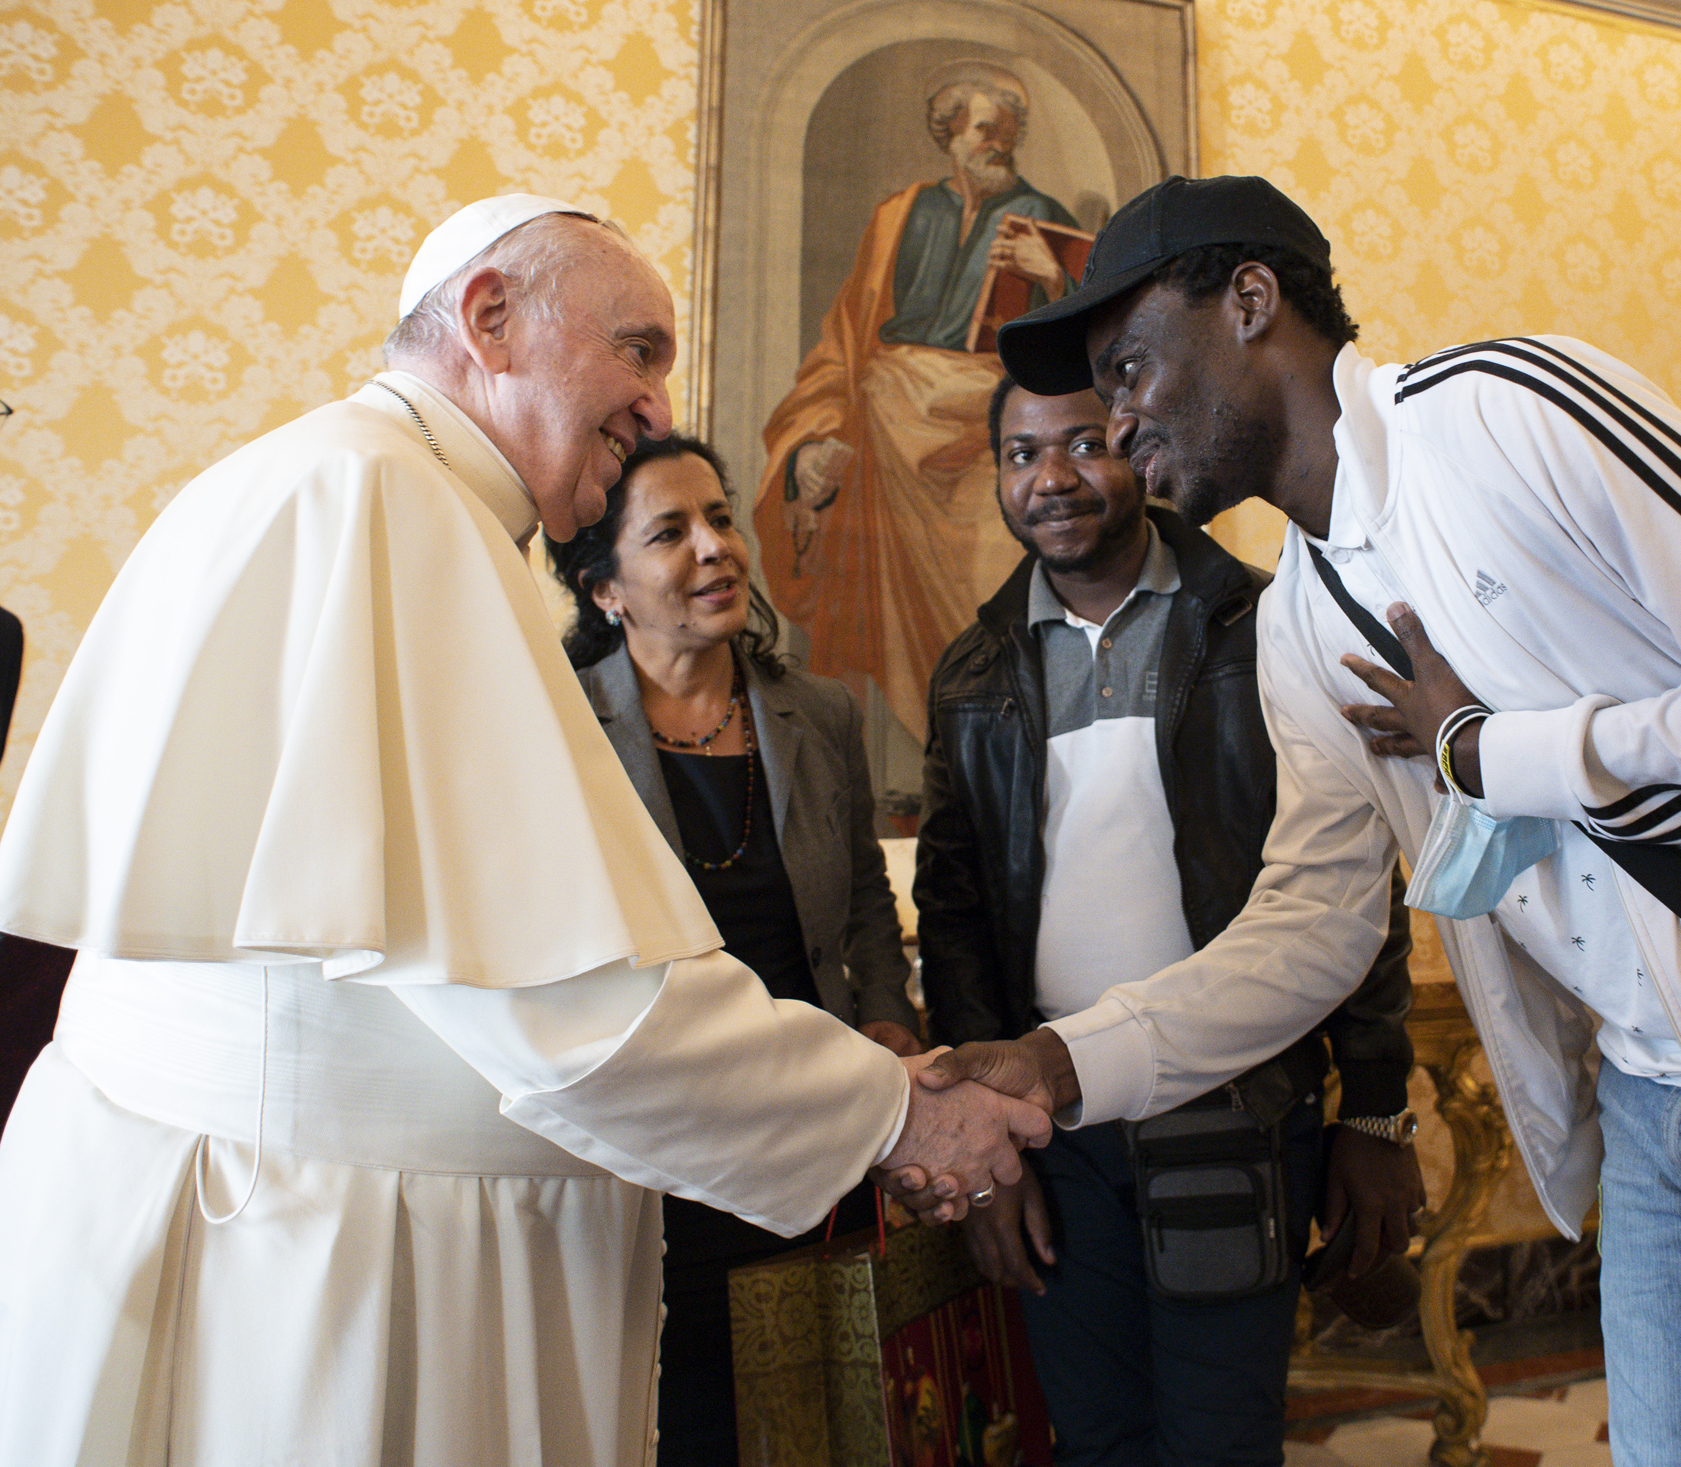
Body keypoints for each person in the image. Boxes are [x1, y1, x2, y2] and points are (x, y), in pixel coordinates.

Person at [922, 175, 1681, 1467]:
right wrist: (1058, 1062)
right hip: (1654, 1108)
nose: (1116, 417)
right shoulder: (1300, 619)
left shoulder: (1504, 414)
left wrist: (1487, 748)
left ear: (1250, 302)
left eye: (1128, 365)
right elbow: (1308, 925)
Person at [0, 195, 1046, 1466]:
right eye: (638, 350)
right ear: (489, 318)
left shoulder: (343, 477)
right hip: (320, 1251)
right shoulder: (392, 508)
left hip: (264, 1205)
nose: (660, 407)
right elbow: (574, 1014)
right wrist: (892, 1115)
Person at [916, 378, 1421, 1466]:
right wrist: (981, 1144)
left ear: (1138, 451)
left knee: (1219, 1441)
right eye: (1019, 453)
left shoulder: (1261, 625)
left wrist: (1374, 1115)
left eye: (1083, 443)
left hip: (1231, 1104)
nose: (1049, 478)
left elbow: (1349, 891)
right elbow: (951, 913)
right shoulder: (973, 667)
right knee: (1097, 1438)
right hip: (1055, 1131)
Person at [548, 432, 926, 1464]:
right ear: (606, 587)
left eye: (719, 518)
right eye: (670, 532)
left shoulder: (820, 713)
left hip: (815, 1126)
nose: (715, 547)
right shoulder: (560, 732)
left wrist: (887, 1019)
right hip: (657, 1151)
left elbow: (858, 904)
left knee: (825, 1420)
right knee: (685, 1423)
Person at [758, 59, 1080, 767]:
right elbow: (846, 340)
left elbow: (1086, 350)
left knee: (986, 587)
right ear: (952, 135)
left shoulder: (1043, 219)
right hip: (887, 420)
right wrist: (814, 438)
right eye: (986, 129)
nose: (1001, 143)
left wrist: (1051, 276)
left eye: (1011, 131)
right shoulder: (898, 214)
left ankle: (995, 751)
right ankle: (899, 776)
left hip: (991, 421)